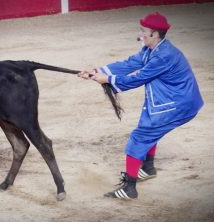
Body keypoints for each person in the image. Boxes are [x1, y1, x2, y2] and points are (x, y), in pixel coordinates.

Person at [78, 12, 204, 200]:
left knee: (140, 137)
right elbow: (131, 63)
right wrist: (98, 71)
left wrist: (106, 79)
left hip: (178, 103)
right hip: (170, 99)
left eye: (143, 31)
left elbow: (138, 78)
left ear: (154, 34)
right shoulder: (152, 49)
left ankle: (129, 188)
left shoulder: (164, 56)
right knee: (149, 126)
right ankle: (148, 167)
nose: (140, 35)